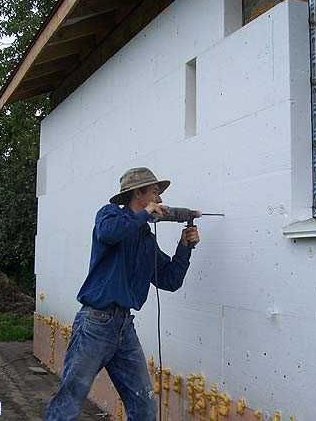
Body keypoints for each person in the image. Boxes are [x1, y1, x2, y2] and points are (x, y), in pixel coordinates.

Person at [44, 167, 200, 421]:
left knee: (145, 408)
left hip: (124, 328)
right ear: (138, 193)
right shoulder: (109, 216)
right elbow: (110, 233)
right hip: (95, 323)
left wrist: (185, 247)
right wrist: (144, 215)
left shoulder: (147, 241)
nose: (160, 200)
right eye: (154, 193)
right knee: (70, 400)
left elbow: (171, 280)